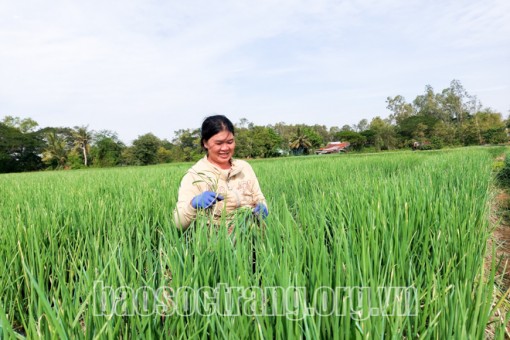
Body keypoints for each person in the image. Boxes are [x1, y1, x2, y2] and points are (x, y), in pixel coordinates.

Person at [173, 115, 268, 230]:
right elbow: (178, 224)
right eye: (219, 143)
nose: (225, 148)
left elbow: (259, 198)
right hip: (216, 244)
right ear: (205, 143)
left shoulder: (244, 168)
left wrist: (263, 207)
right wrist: (193, 204)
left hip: (254, 240)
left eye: (230, 142)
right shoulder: (195, 176)